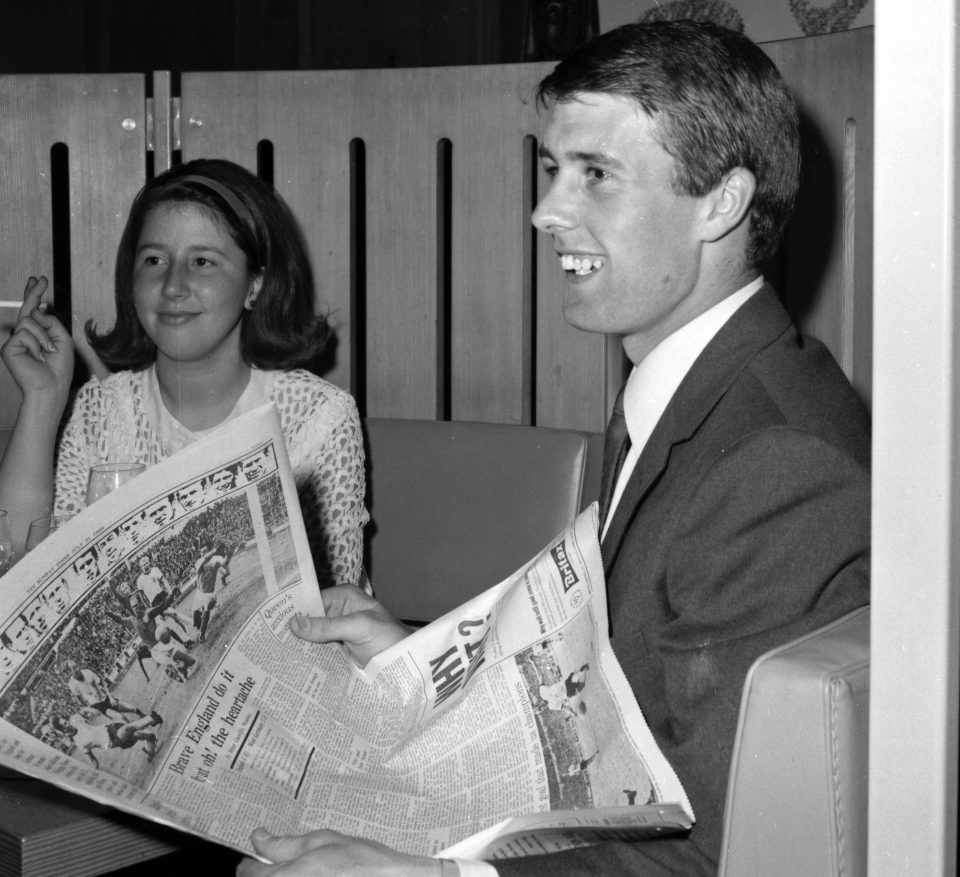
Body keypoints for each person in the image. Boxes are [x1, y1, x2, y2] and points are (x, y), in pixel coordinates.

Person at [237, 19, 870, 877]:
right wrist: (414, 665)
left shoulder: (778, 460)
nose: (545, 212)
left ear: (721, 202)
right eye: (552, 172)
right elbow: (616, 690)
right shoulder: (702, 384)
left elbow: (718, 855)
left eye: (596, 175)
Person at [0, 158, 368, 591]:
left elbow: (333, 604)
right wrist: (43, 400)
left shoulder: (318, 418)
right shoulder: (101, 411)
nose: (173, 286)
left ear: (255, 285)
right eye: (155, 259)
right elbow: (20, 569)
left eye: (202, 262)